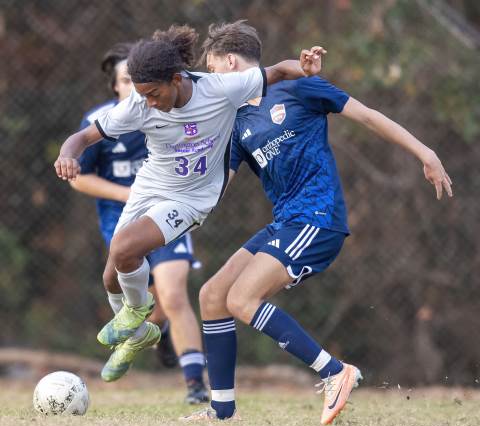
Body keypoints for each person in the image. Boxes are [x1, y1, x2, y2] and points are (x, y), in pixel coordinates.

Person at [181, 21, 453, 424]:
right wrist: (174, 211)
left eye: (213, 68)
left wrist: (425, 153)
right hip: (286, 221)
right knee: (212, 295)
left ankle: (334, 372)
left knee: (241, 300)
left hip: (317, 218)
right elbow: (219, 186)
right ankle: (221, 412)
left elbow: (368, 116)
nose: (212, 79)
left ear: (231, 62)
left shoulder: (298, 88)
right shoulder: (236, 120)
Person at [54, 24, 322, 397]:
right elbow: (83, 137)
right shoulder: (138, 104)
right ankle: (140, 331)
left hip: (192, 198)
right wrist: (67, 155)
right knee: (111, 276)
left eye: (154, 93)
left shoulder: (220, 89)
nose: (148, 102)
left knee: (125, 249)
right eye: (142, 94)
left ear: (177, 79)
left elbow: (277, 71)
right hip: (149, 187)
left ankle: (141, 322)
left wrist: (304, 68)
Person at [69, 42, 209, 403]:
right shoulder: (103, 121)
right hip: (123, 221)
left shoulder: (173, 112)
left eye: (141, 81)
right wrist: (125, 194)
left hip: (170, 211)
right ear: (115, 86)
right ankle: (155, 330)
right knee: (147, 300)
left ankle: (195, 384)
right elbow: (78, 177)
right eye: (127, 81)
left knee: (173, 293)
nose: (136, 88)